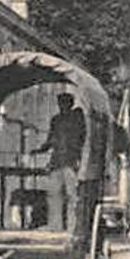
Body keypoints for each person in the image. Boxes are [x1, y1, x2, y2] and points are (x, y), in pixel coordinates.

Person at [40, 92, 87, 231]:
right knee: (54, 195)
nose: (62, 106)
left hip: (71, 162)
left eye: (64, 103)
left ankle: (72, 227)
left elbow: (82, 140)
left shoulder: (78, 119)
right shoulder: (56, 120)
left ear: (70, 104)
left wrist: (80, 158)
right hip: (56, 162)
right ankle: (56, 226)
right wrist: (41, 149)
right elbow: (50, 139)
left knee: (72, 196)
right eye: (60, 104)